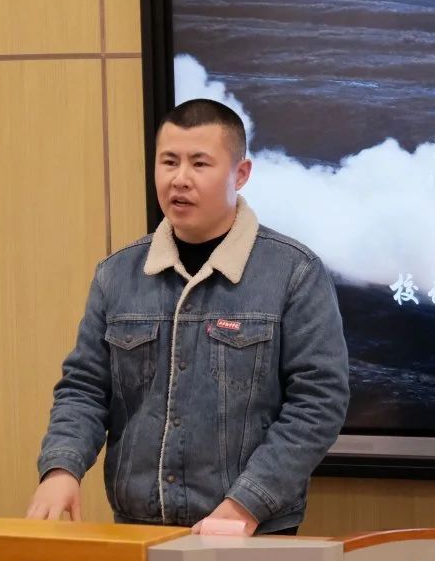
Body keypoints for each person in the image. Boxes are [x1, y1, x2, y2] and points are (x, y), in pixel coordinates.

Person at [27, 98, 349, 535]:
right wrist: (61, 468)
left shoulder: (295, 272)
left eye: (199, 163)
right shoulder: (116, 274)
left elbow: (318, 402)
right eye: (168, 162)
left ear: (240, 173)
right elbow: (84, 388)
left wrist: (246, 503)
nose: (180, 179)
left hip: (251, 531)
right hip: (138, 527)